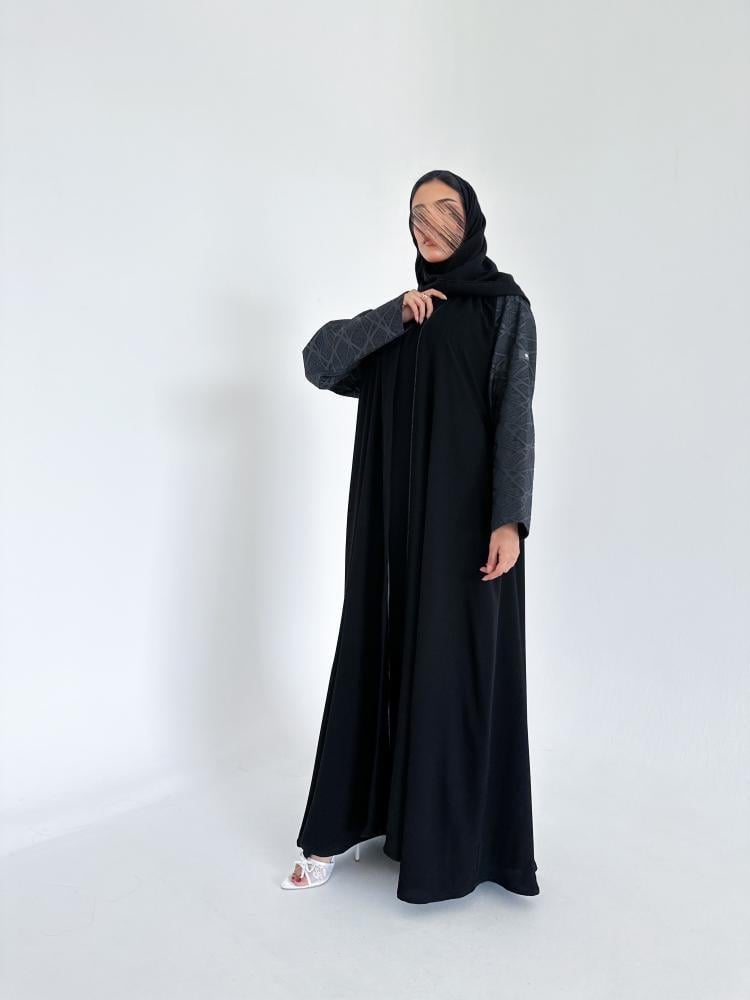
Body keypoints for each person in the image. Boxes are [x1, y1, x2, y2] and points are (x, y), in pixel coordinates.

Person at [281, 169, 539, 904]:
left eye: (444, 210)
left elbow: (514, 414)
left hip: (466, 533)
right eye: (417, 213)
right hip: (390, 532)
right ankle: (340, 828)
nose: (429, 225)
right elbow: (318, 363)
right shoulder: (402, 315)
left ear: (472, 220)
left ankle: (452, 847)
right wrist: (392, 315)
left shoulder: (504, 309)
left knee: (453, 669)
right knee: (377, 653)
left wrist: (509, 519)